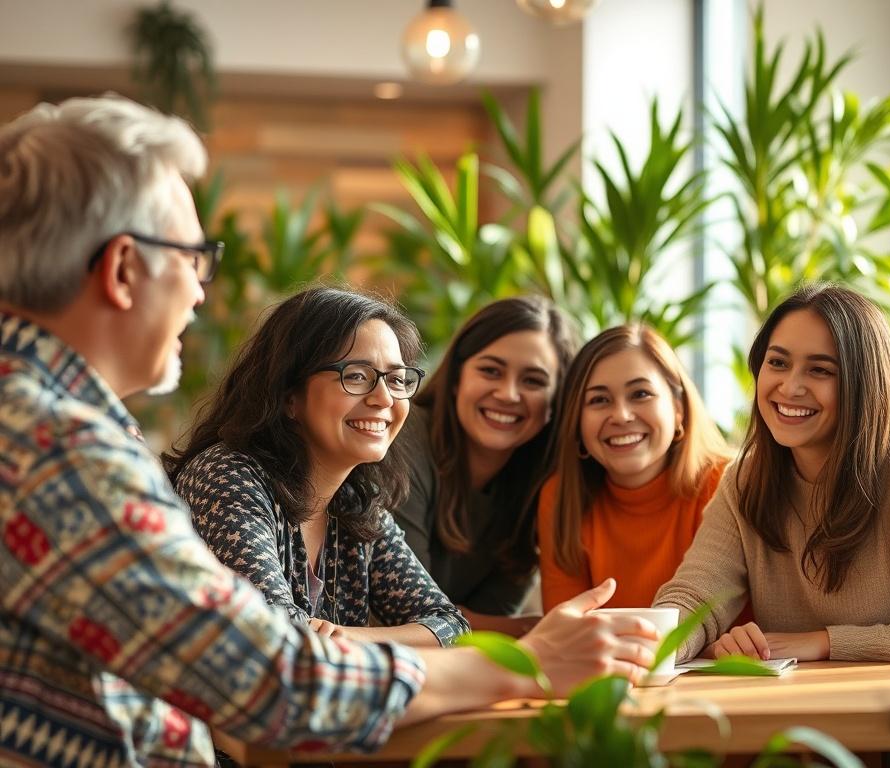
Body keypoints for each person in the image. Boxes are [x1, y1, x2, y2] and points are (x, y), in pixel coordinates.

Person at [0, 94, 661, 766]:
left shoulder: (49, 419)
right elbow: (270, 680)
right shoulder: (51, 442)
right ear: (121, 270)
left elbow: (433, 626)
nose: (201, 291)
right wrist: (529, 666)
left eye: (397, 378)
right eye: (193, 258)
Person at [654, 283, 890, 666]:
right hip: (823, 709)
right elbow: (694, 599)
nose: (790, 386)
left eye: (820, 370)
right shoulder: (746, 479)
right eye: (777, 362)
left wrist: (824, 643)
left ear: (863, 383)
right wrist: (652, 646)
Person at [166, 287, 469, 648]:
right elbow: (276, 636)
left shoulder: (356, 501)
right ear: (289, 396)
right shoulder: (227, 478)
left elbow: (450, 626)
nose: (385, 398)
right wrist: (331, 639)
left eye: (397, 379)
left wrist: (342, 636)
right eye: (356, 376)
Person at [392, 296, 577, 635]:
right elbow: (408, 611)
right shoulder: (402, 437)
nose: (508, 394)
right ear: (457, 377)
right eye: (491, 371)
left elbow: (481, 629)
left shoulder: (541, 484)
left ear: (557, 400)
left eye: (533, 381)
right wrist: (535, 628)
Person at [538, 324, 733, 612]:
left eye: (640, 394)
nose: (621, 415)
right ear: (577, 422)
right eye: (599, 400)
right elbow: (566, 630)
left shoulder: (728, 483)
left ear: (678, 409)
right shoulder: (560, 498)